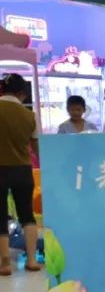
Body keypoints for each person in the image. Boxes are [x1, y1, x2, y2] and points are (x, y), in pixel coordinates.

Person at [0, 74, 41, 276]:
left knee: (0, 216)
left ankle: (5, 263)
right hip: (23, 169)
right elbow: (36, 146)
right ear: (22, 93)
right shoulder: (29, 115)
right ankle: (32, 260)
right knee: (27, 215)